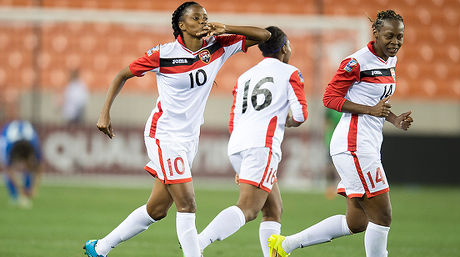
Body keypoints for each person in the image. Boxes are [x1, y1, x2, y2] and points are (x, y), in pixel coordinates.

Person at [83, 2, 270, 257]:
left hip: (189, 138)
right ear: (182, 25)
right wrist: (104, 112)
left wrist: (225, 27)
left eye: (205, 17)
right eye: (196, 17)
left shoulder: (218, 46)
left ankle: (100, 247)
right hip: (164, 135)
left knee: (157, 209)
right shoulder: (164, 53)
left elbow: (265, 36)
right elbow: (121, 75)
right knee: (188, 203)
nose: (203, 21)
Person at [268, 10, 413, 257]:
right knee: (383, 216)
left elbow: (377, 102)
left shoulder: (390, 61)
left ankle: (284, 245)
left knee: (357, 222)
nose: (395, 42)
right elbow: (329, 98)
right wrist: (371, 110)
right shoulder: (356, 62)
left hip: (365, 143)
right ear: (376, 33)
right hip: (354, 145)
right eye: (390, 36)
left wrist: (393, 118)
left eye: (400, 37)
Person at [197, 26, 308, 257]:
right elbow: (300, 116)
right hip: (262, 146)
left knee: (273, 209)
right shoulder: (291, 73)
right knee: (248, 209)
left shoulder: (245, 76)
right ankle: (197, 243)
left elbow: (233, 119)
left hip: (238, 144)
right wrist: (286, 121)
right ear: (285, 47)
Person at [0, 120, 42, 208]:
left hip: (27, 141)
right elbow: (6, 168)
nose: (22, 168)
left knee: (29, 168)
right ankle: (14, 195)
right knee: (8, 170)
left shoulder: (35, 144)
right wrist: (20, 190)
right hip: (7, 136)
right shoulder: (6, 145)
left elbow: (39, 167)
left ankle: (27, 192)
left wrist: (34, 189)